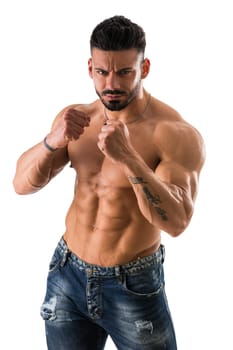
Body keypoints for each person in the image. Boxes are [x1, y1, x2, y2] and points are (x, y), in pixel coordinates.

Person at [13, 15, 205, 350]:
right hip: (67, 275)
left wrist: (129, 158)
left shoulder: (174, 134)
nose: (111, 83)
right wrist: (51, 140)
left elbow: (176, 222)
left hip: (132, 285)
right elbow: (21, 185)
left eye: (124, 72)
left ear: (144, 68)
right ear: (90, 68)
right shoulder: (76, 118)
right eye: (102, 72)